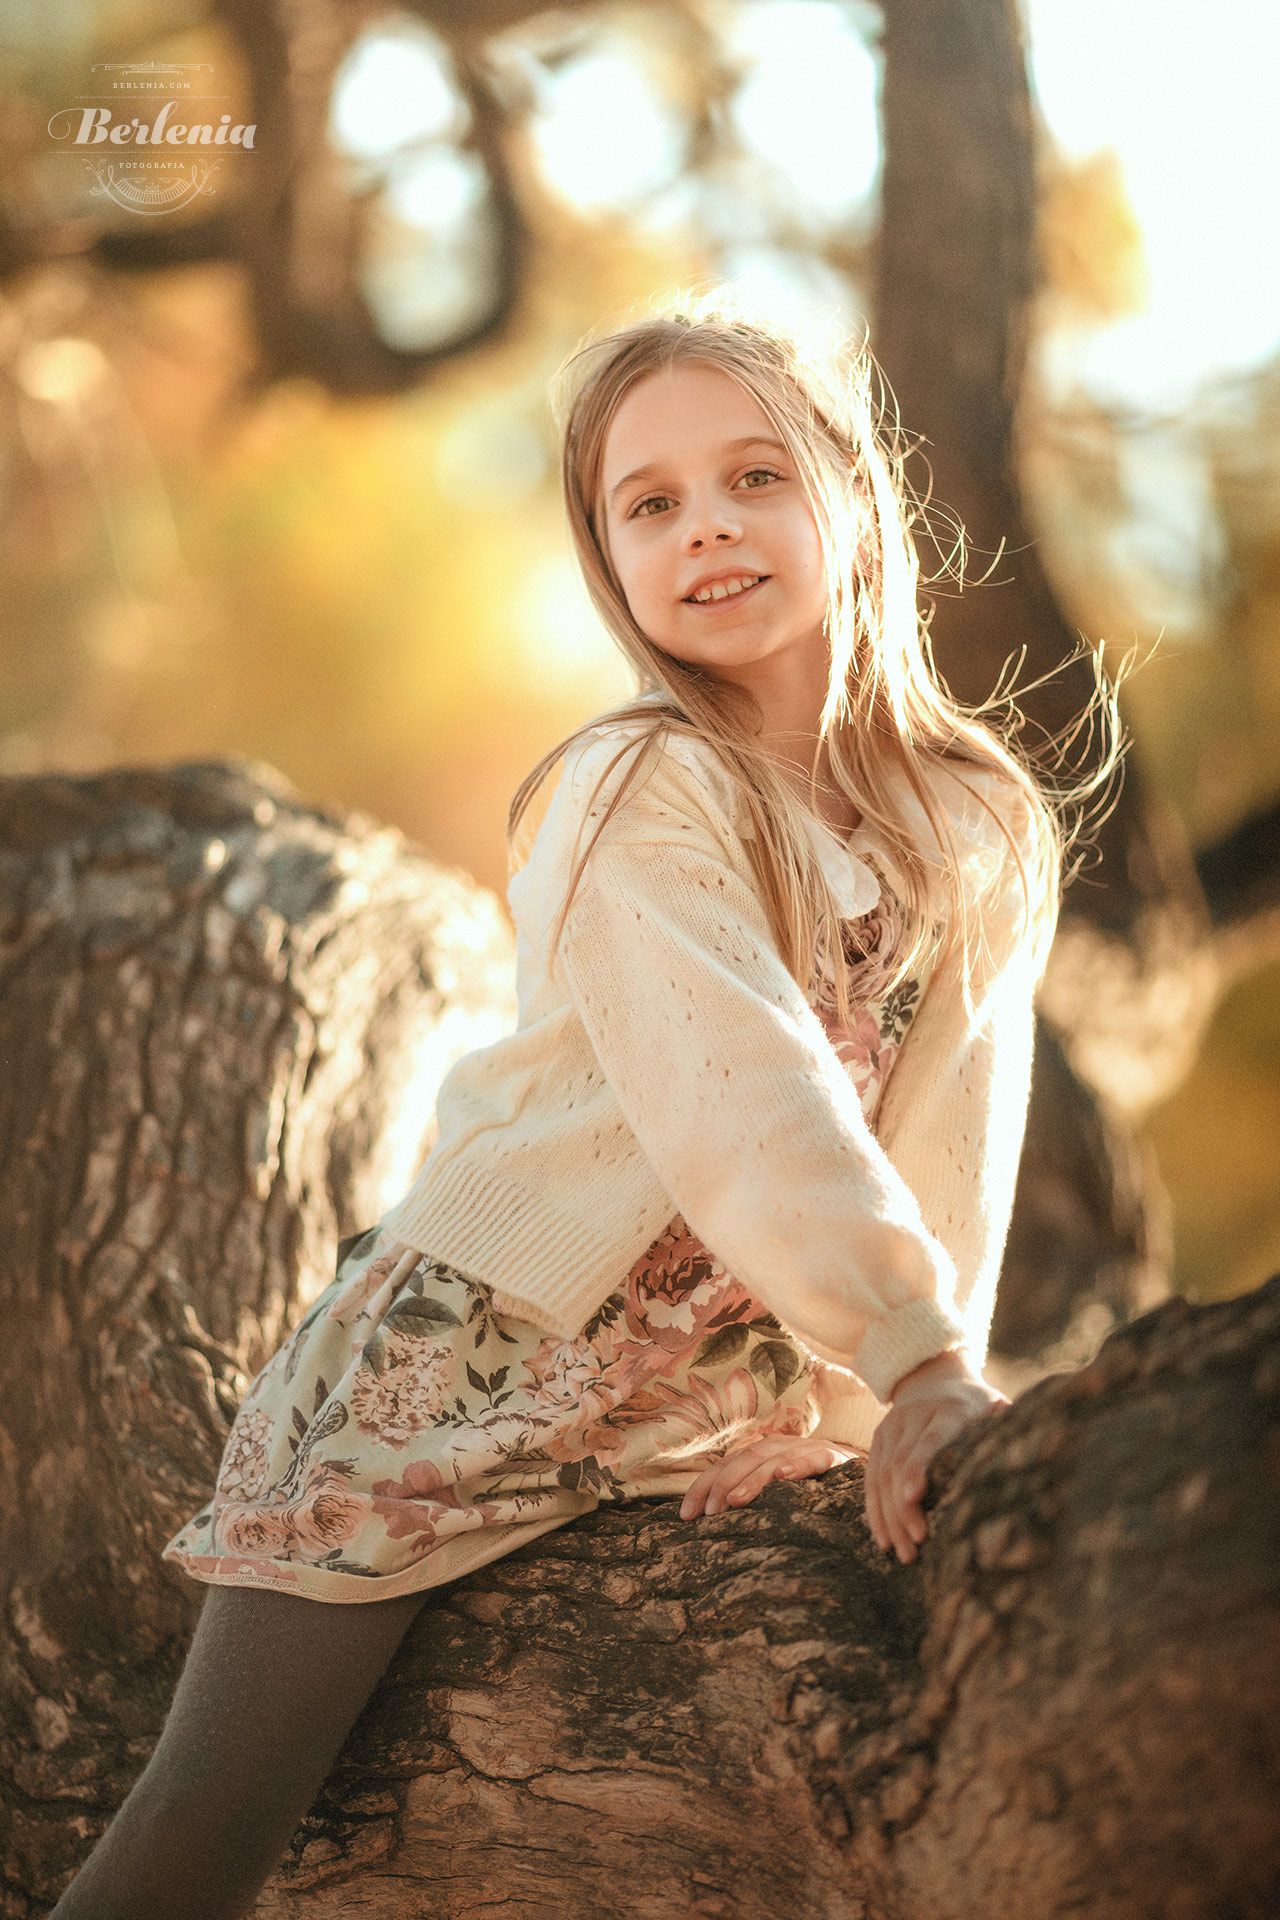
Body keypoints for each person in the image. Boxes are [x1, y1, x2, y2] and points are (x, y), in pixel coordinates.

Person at [50, 295, 1114, 1918]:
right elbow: (742, 1087)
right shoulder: (642, 783)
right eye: (652, 504)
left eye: (756, 475)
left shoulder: (978, 820)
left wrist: (871, 1402)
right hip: (453, 1376)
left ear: (852, 490)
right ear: (608, 558)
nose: (710, 530)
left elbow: (955, 1133)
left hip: (702, 1401)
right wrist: (907, 1353)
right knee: (197, 1853)